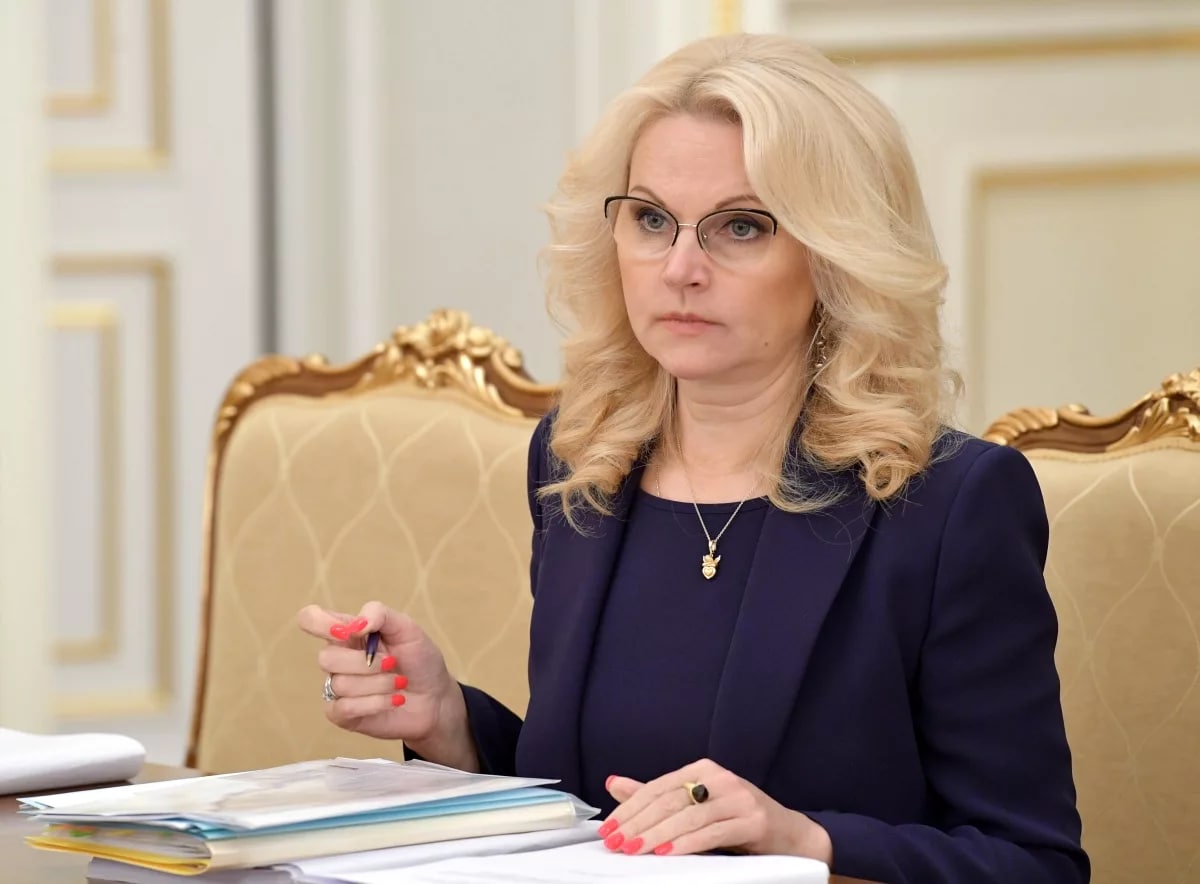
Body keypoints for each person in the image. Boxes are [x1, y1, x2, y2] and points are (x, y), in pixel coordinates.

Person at [298, 33, 1088, 884]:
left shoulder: (949, 505)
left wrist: (806, 840)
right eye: (650, 220)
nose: (680, 268)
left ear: (835, 255)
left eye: (740, 227)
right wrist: (449, 724)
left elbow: (1035, 864)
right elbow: (592, 805)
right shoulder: (581, 463)